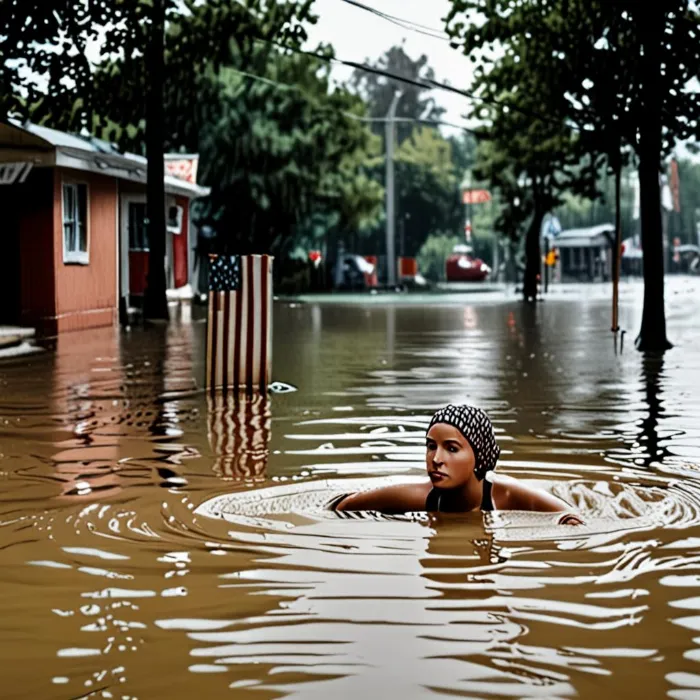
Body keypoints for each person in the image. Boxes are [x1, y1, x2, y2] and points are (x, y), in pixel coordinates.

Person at [333, 404, 583, 525]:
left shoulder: (507, 496)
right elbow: (344, 505)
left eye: (451, 449)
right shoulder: (419, 496)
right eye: (431, 446)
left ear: (479, 456)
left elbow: (570, 518)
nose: (436, 459)